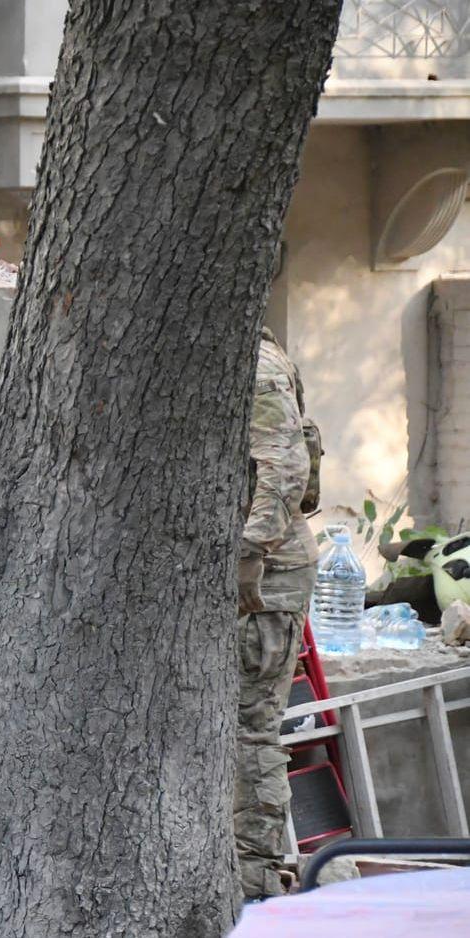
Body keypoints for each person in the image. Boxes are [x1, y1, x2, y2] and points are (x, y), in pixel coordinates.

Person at [235, 326, 317, 899]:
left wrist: (251, 550)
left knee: (250, 729)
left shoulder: (257, 363)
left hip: (267, 578)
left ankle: (254, 878)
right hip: (251, 572)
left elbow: (287, 469)